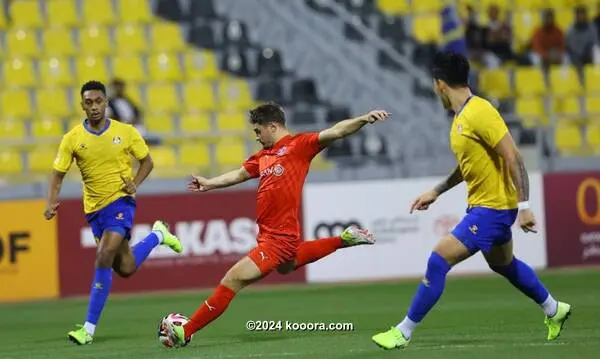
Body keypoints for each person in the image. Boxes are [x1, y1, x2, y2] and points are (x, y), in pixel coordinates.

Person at [371, 53, 571, 350]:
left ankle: (403, 332)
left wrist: (525, 206)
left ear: (440, 84)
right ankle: (555, 309)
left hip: (493, 209)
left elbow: (514, 155)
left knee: (438, 259)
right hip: (487, 206)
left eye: (434, 85)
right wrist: (436, 191)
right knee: (504, 264)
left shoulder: (480, 111)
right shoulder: (462, 117)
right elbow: (468, 166)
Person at [166, 102, 390, 346]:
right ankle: (343, 239)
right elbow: (240, 174)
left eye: (258, 131)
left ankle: (185, 330)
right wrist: (209, 183)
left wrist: (365, 118)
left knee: (232, 280)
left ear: (272, 126)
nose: (257, 137)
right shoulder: (264, 156)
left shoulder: (300, 146)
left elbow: (336, 131)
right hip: (268, 234)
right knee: (287, 266)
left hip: (279, 238)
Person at [44, 80, 183, 345]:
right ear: (82, 105)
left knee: (104, 254)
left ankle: (88, 329)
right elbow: (57, 175)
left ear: (106, 103)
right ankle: (158, 235)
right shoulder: (72, 138)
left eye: (98, 101)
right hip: (94, 211)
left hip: (121, 203)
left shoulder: (126, 132)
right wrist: (51, 202)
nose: (94, 107)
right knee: (126, 267)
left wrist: (135, 184)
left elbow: (147, 161)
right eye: (89, 102)